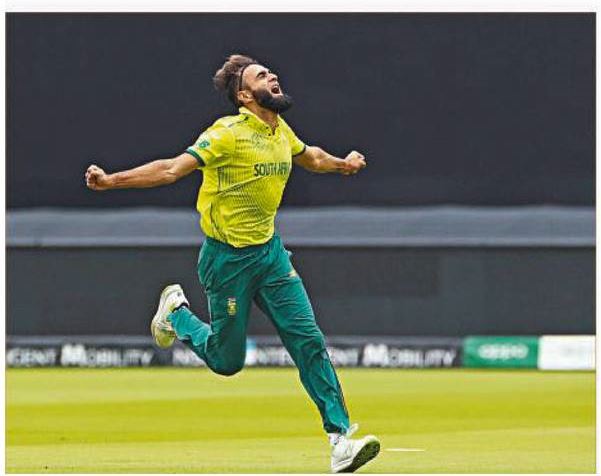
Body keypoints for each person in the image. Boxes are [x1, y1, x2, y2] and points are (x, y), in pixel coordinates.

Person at [85, 54, 380, 473]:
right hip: (227, 260)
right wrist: (111, 181)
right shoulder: (226, 134)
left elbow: (310, 157)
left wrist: (342, 165)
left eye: (271, 72)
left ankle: (340, 440)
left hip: (270, 256)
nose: (272, 75)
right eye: (261, 75)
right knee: (227, 362)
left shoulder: (280, 129)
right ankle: (176, 314)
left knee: (308, 340)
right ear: (244, 96)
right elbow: (170, 170)